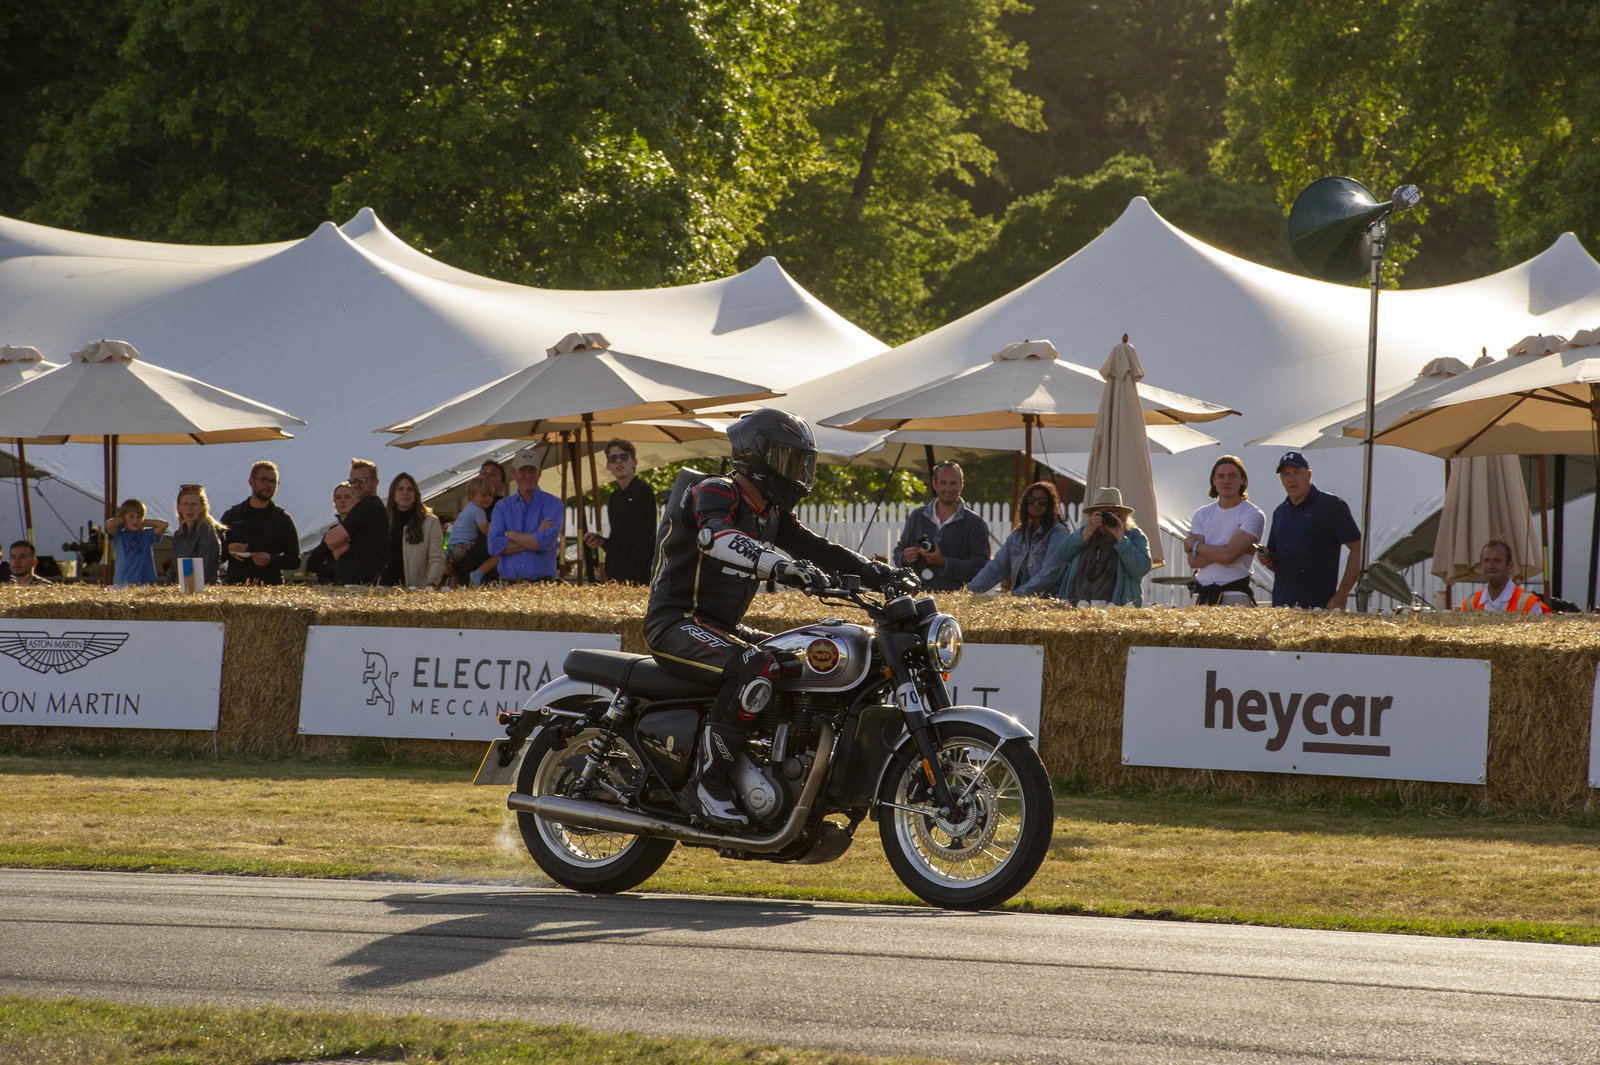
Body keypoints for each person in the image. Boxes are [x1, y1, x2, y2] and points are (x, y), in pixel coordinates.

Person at [646, 408, 894, 828]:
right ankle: (708, 787)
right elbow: (716, 536)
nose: (795, 470)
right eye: (786, 458)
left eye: (799, 461)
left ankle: (773, 769)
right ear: (756, 456)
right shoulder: (715, 490)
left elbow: (818, 548)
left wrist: (877, 573)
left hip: (720, 628)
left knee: (797, 661)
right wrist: (778, 565)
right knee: (755, 665)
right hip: (676, 622)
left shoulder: (771, 513)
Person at [1258, 450, 1361, 610]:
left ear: (1309, 475)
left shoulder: (1331, 505)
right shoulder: (1280, 512)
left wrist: (1342, 593)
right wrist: (1266, 560)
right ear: (1281, 479)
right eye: (1286, 474)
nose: (1292, 479)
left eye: (1297, 472)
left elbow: (1358, 548)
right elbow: (1278, 564)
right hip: (1282, 605)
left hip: (1319, 605)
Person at [895, 460, 991, 591]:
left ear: (961, 484)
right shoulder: (917, 516)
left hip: (954, 597)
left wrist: (944, 563)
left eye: (953, 483)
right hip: (916, 593)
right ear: (934, 484)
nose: (948, 489)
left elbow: (981, 567)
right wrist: (905, 558)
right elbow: (899, 551)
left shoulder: (975, 523)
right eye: (943, 483)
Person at [1184, 455, 1266, 605]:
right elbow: (1194, 561)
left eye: (1232, 476)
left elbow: (1227, 556)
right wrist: (1226, 551)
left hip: (1235, 594)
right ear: (1214, 481)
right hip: (1202, 595)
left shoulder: (1253, 514)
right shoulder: (1201, 514)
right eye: (1221, 476)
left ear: (1242, 480)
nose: (1226, 481)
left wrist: (1194, 545)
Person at [967, 481, 1069, 597]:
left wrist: (1017, 595)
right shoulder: (1018, 534)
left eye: (1042, 501)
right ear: (1025, 503)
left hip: (1047, 601)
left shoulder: (1058, 533)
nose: (1036, 504)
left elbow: (1049, 574)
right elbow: (996, 567)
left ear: (1050, 505)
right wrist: (967, 592)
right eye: (1031, 500)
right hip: (1019, 601)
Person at [1057, 486, 1151, 606]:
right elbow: (1063, 553)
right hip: (1077, 605)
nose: (1107, 518)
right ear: (1092, 515)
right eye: (1102, 514)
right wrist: (1086, 533)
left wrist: (1121, 539)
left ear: (1122, 516)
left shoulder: (1134, 535)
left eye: (1112, 514)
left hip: (1116, 608)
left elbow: (1141, 569)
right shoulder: (1086, 532)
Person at [582, 438, 657, 584]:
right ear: (608, 465)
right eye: (613, 458)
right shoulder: (614, 497)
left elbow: (645, 539)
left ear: (634, 462)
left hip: (638, 576)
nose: (618, 461)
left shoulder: (643, 492)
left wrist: (633, 579)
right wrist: (601, 541)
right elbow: (618, 542)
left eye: (624, 456)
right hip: (616, 575)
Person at [488, 446, 563, 582]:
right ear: (513, 473)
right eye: (522, 470)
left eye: (532, 470)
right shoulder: (502, 506)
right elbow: (494, 547)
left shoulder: (554, 503)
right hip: (508, 584)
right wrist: (535, 537)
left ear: (539, 473)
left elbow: (545, 542)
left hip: (543, 583)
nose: (527, 476)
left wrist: (509, 534)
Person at [221, 461, 301, 585]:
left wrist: (271, 560)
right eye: (264, 480)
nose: (269, 485)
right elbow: (213, 554)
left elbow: (295, 560)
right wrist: (228, 549)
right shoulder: (233, 515)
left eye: (273, 481)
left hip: (270, 587)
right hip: (236, 586)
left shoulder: (282, 519)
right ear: (251, 481)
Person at [323, 458, 387, 585]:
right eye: (352, 481)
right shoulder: (372, 506)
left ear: (375, 482)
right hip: (358, 583)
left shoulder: (367, 506)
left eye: (361, 480)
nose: (356, 485)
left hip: (360, 585)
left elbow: (330, 540)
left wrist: (339, 545)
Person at [381, 472, 446, 589]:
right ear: (393, 493)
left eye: (410, 489)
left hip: (416, 588)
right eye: (400, 489)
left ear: (416, 494)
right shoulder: (384, 520)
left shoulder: (429, 522)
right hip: (386, 586)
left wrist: (431, 583)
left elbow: (437, 557)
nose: (405, 493)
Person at [1458, 539, 1550, 614]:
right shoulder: (1470, 604)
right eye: (1486, 560)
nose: (1490, 565)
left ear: (1510, 566)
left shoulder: (1528, 603)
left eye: (1496, 560)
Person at [166, 483, 226, 586]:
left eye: (194, 504)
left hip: (203, 588)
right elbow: (175, 568)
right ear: (179, 508)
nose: (190, 508)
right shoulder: (179, 534)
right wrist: (168, 589)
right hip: (184, 589)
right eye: (185, 504)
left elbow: (205, 567)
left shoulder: (207, 531)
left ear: (202, 507)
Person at [445, 476, 499, 587]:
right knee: (497, 552)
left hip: (451, 549)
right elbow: (485, 530)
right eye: (483, 496)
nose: (488, 499)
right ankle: (478, 573)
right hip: (461, 548)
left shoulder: (468, 508)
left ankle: (451, 589)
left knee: (456, 574)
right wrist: (497, 520)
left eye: (490, 495)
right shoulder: (478, 511)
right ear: (472, 496)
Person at [304, 481, 357, 584]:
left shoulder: (361, 530)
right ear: (334, 503)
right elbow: (312, 565)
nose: (342, 501)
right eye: (338, 498)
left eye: (347, 497)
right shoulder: (332, 530)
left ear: (356, 501)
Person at [109, 499, 168, 586]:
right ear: (123, 518)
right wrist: (122, 520)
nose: (135, 520)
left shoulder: (147, 534)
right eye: (131, 516)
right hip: (123, 580)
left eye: (139, 516)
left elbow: (164, 525)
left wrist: (145, 521)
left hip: (144, 580)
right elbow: (109, 524)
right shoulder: (119, 534)